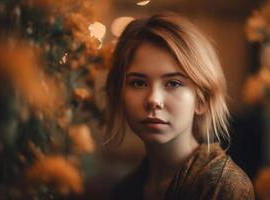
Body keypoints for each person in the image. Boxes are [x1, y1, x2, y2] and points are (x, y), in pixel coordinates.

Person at [105, 12, 254, 200]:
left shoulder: (223, 187)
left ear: (202, 100)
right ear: (119, 93)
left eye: (173, 83)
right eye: (138, 83)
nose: (153, 99)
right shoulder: (125, 190)